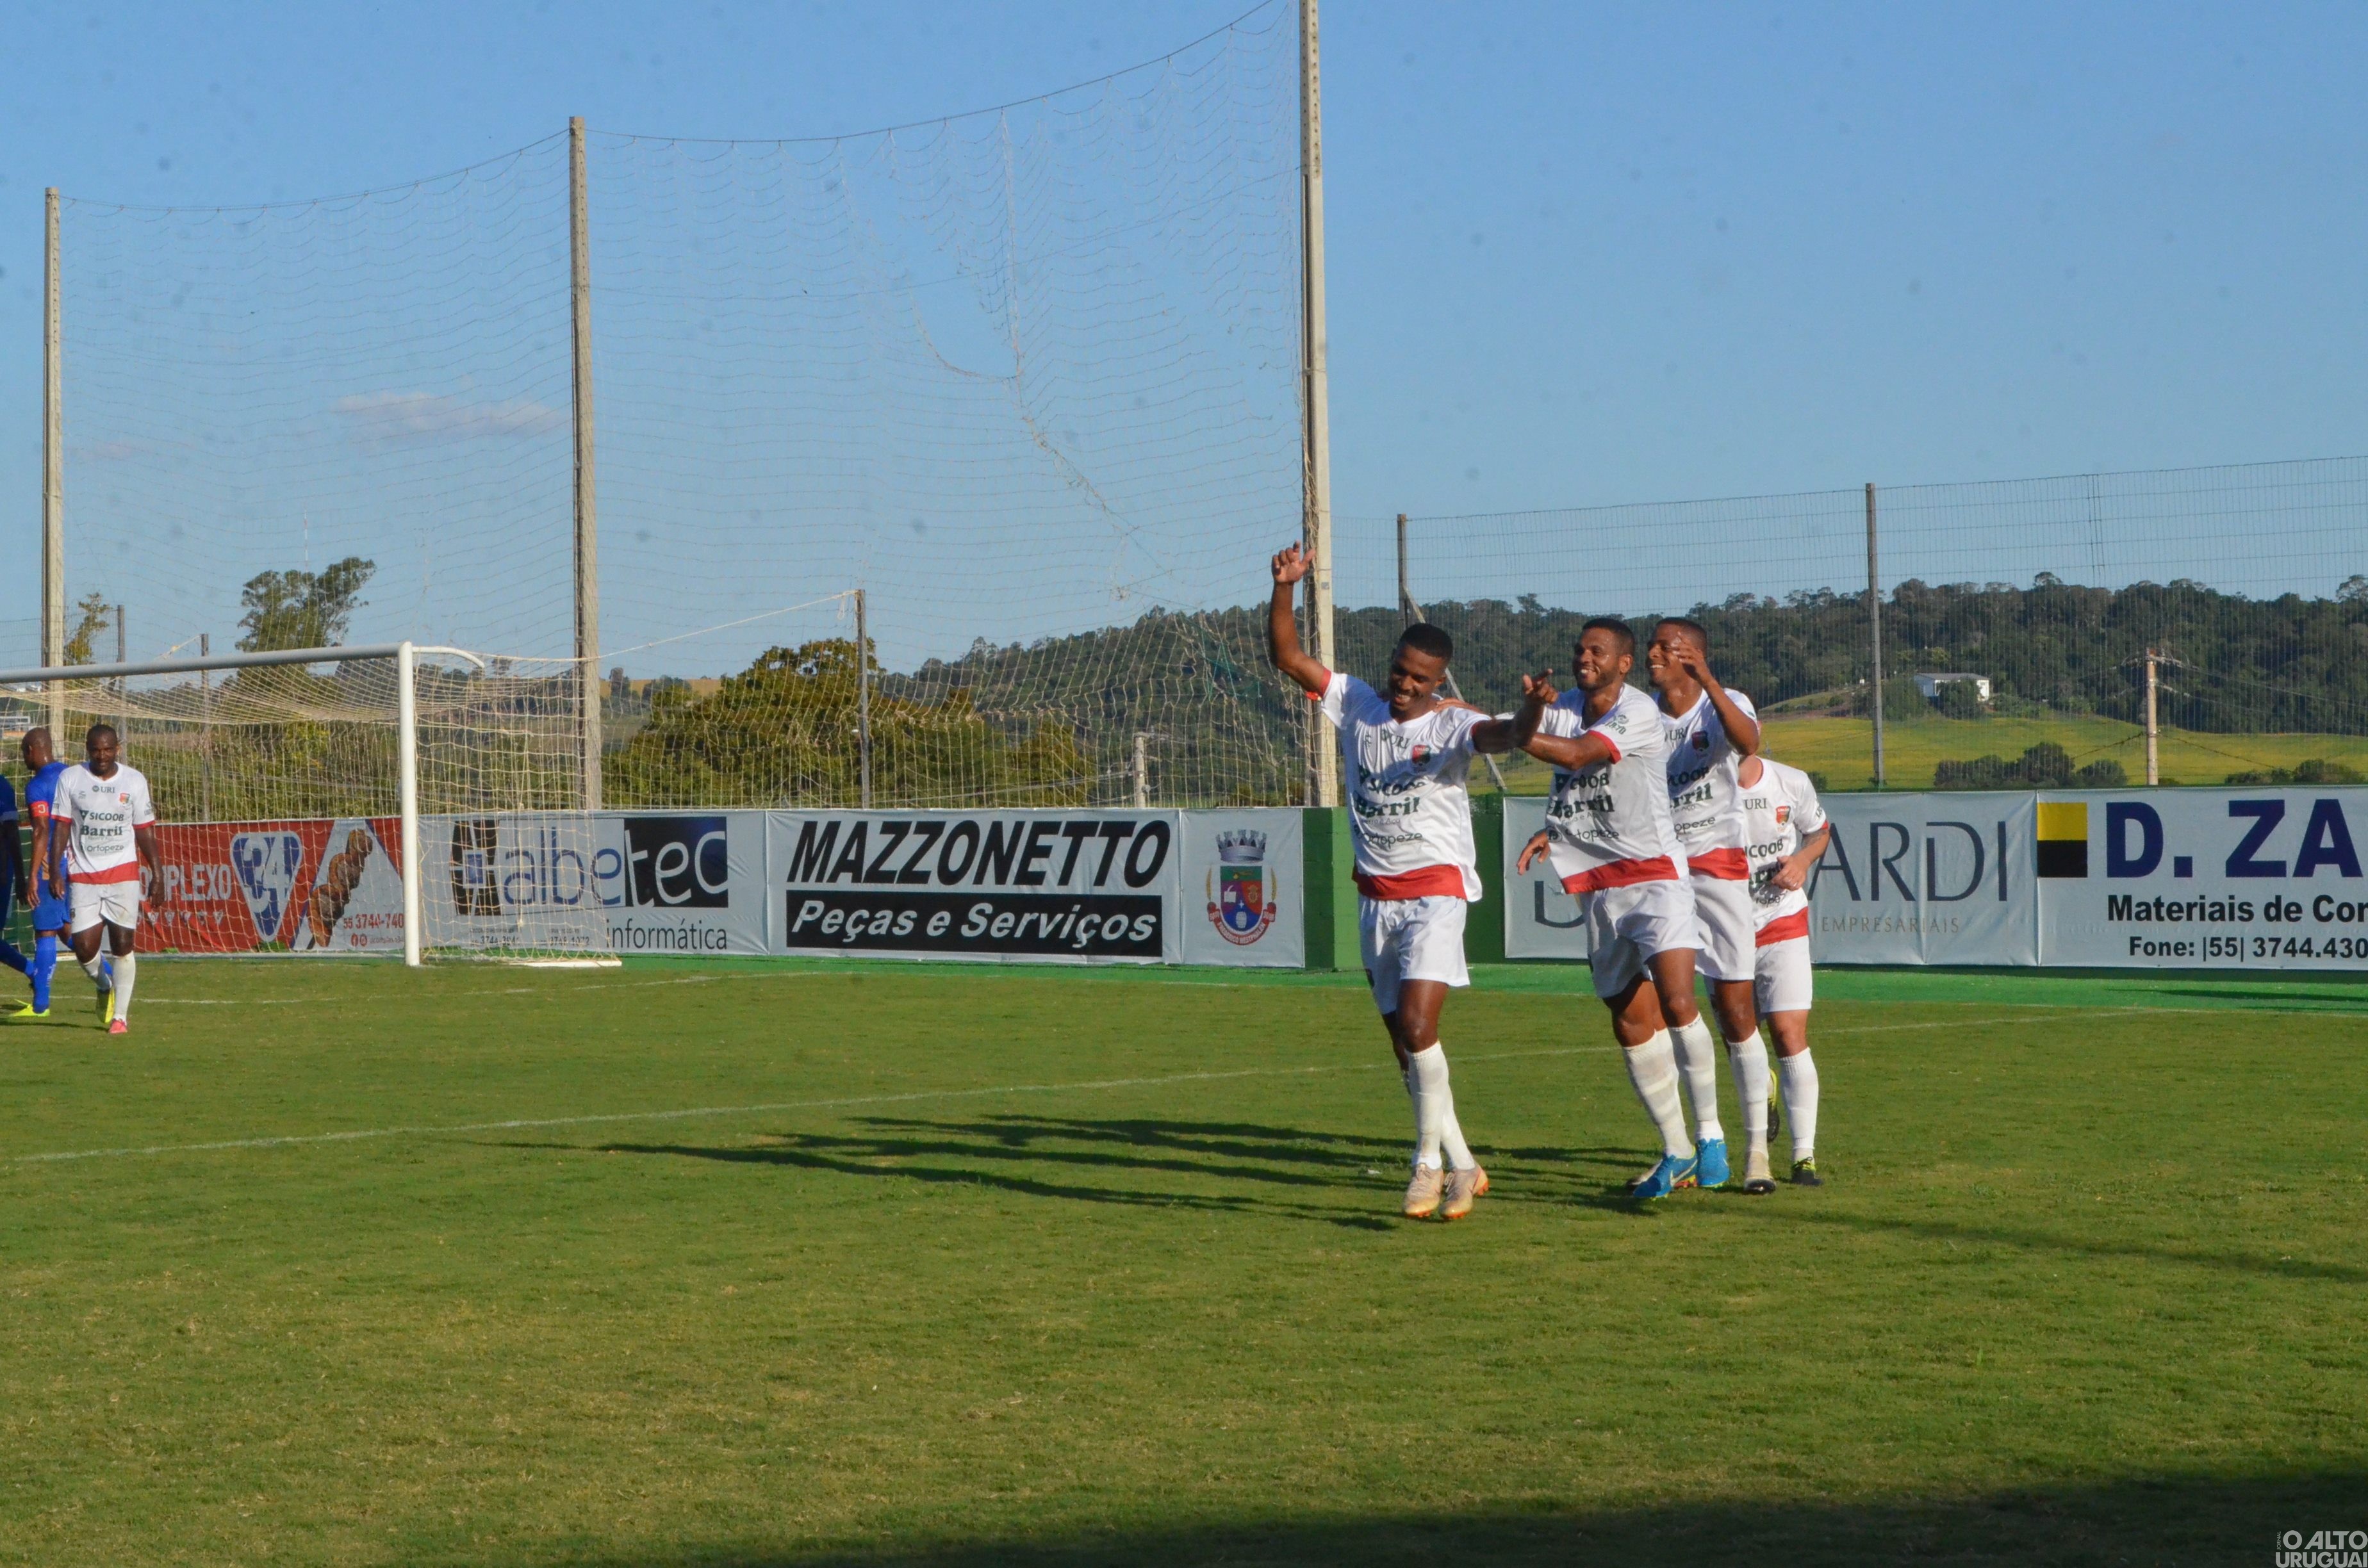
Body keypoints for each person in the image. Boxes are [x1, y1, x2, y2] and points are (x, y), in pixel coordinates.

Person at [1267, 541, 1528, 1220]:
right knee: (1405, 1047)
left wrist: (1528, 715)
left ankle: (1426, 1166)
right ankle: (1466, 1165)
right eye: (1400, 672)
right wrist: (1286, 587)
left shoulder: (1453, 722)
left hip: (1436, 893)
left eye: (1420, 678)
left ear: (1439, 681)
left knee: (1418, 1023)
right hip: (1376, 900)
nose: (1406, 685)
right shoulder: (1358, 704)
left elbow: (1500, 738)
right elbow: (1288, 658)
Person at [1511, 619, 1718, 1199]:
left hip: (1655, 876)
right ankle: (1676, 1149)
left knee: (1678, 1001)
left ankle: (1711, 1137)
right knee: (1628, 1018)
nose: (1585, 658)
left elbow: (1579, 756)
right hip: (1600, 886)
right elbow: (1529, 743)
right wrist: (1528, 710)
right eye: (1580, 650)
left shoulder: (1638, 711)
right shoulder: (1562, 707)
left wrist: (1521, 728)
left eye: (1597, 652)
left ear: (1623, 664)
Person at [1645, 616, 1763, 1189]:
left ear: (1692, 655)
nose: (1653, 654)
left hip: (1718, 868)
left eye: (1666, 647)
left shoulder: (1724, 702)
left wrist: (1709, 680)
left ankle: (1758, 1149)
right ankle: (1699, 1139)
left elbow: (1749, 744)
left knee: (1736, 1012)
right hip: (1661, 872)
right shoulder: (1640, 714)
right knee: (1672, 1005)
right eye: (1651, 645)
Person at [1736, 753, 1830, 1189]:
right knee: (1741, 1041)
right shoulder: (1695, 785)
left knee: (1789, 1035)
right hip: (1725, 927)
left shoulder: (1790, 781)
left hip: (1783, 919)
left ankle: (1803, 1156)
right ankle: (1762, 1096)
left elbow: (1820, 831)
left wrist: (1802, 861)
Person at [53, 724, 161, 1035]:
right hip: (83, 875)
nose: (102, 756)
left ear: (118, 749)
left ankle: (121, 1018)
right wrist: (56, 870)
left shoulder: (134, 780)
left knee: (123, 946)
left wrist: (158, 873)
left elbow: (144, 830)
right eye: (96, 750)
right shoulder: (70, 779)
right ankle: (104, 985)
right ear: (87, 749)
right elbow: (62, 826)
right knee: (84, 949)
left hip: (123, 873)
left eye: (108, 749)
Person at [9, 728, 70, 1020]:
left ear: (32, 749)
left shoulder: (37, 785)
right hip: (79, 863)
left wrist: (33, 874)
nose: (24, 759)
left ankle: (40, 1005)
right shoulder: (71, 774)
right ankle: (108, 978)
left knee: (45, 931)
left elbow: (41, 829)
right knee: (68, 931)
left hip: (52, 866)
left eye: (24, 752)